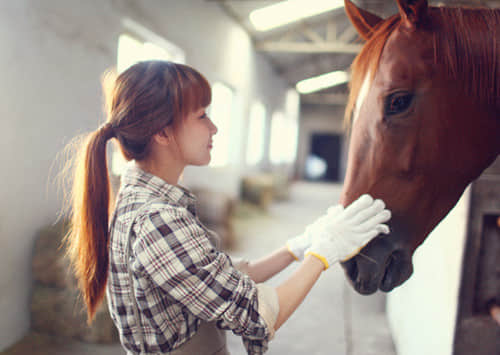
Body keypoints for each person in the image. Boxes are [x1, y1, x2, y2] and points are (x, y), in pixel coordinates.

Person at [64, 60, 391, 355]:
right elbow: (258, 315)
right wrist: (322, 254)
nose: (214, 128)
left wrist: (300, 245)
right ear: (162, 132)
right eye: (202, 115)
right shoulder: (157, 220)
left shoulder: (152, 202)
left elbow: (221, 279)